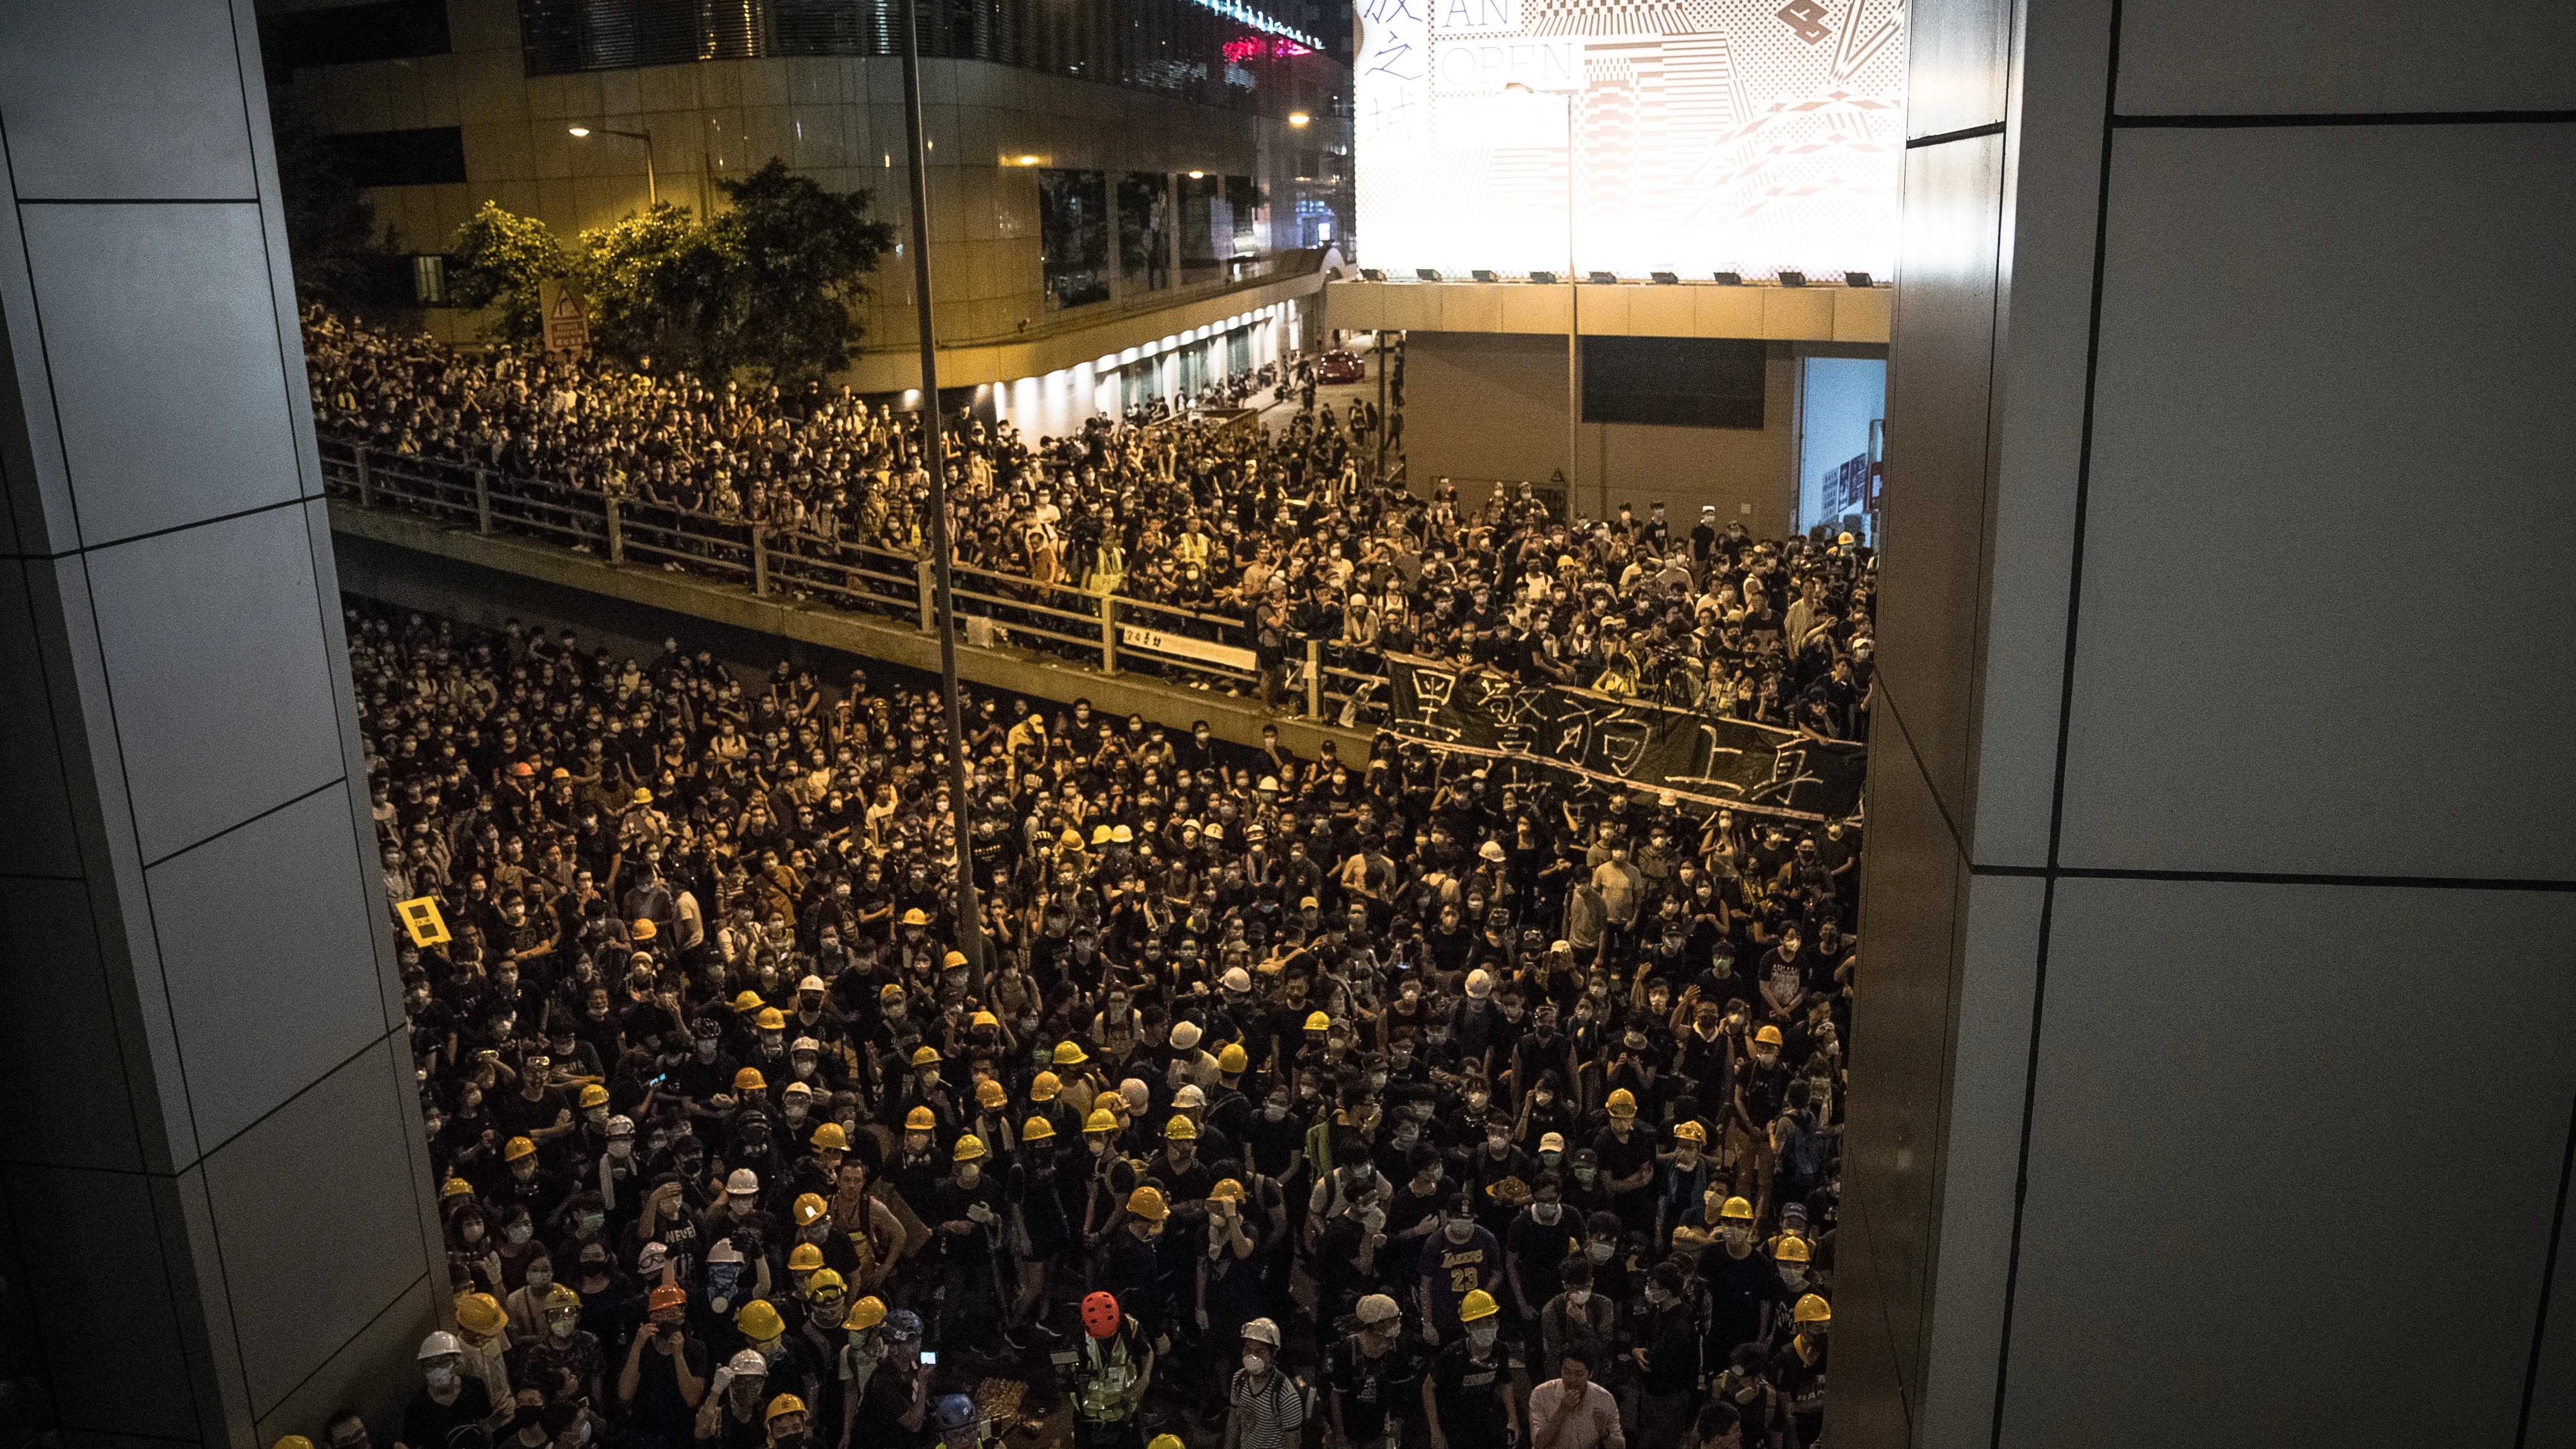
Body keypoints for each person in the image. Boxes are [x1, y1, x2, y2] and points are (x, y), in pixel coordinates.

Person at [1421, 1289, 1515, 1449]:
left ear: (1497, 1324)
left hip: (1486, 1419)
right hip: (1455, 1424)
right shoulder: (1452, 1355)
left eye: (1489, 1322)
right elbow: (1428, 1388)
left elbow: (1506, 1384)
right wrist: (1435, 1431)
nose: (1485, 1328)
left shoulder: (1501, 1351)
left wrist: (1513, 1420)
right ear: (1467, 1328)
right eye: (1477, 1324)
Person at [1327, 1293, 1421, 1449]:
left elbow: (1400, 1392)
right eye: (1393, 1321)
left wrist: (1397, 1424)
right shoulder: (1348, 1350)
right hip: (1351, 1430)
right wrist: (1341, 1437)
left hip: (1379, 1432)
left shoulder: (1396, 1349)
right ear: (1377, 1324)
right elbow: (1337, 1395)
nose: (1398, 1324)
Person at [399, 1333, 495, 1449]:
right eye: (429, 1365)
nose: (437, 1370)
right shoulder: (418, 1408)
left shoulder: (474, 1387)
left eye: (444, 1362)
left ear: (457, 1362)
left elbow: (485, 1428)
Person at [1224, 1318, 1306, 1449]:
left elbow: (1293, 1443)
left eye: (1260, 1351)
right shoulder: (1239, 1380)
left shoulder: (1285, 1395)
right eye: (1248, 1349)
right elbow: (1233, 1423)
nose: (1252, 1356)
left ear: (1273, 1354)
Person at [1526, 1349, 1622, 1449]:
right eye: (1567, 1372)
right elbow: (1538, 1444)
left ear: (1590, 1374)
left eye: (1579, 1375)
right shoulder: (1541, 1394)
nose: (1572, 1380)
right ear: (1561, 1370)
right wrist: (1562, 1410)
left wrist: (1604, 1433)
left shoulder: (1604, 1398)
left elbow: (1620, 1447)